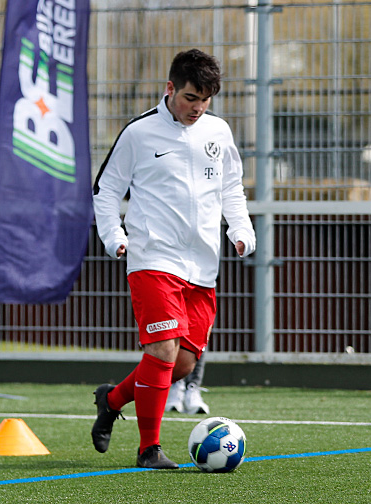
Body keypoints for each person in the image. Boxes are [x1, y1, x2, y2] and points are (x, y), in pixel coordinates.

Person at [90, 49, 255, 469]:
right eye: (189, 98)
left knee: (181, 363)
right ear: (169, 88)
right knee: (163, 350)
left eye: (204, 100)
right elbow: (106, 190)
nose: (197, 108)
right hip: (152, 258)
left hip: (202, 265)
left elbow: (231, 189)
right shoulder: (139, 133)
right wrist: (114, 236)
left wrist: (240, 229)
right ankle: (149, 450)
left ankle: (110, 401)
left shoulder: (218, 131)